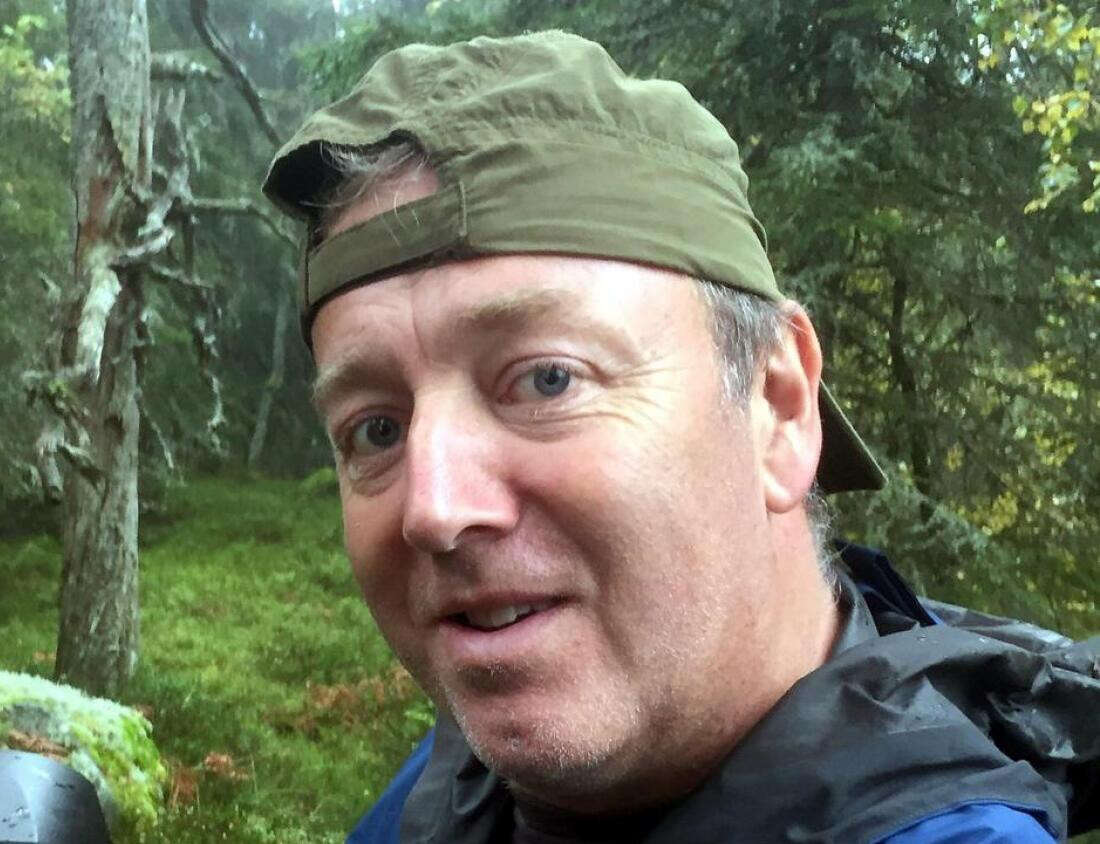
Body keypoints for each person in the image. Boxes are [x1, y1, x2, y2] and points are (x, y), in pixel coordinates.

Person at [261, 31, 1100, 844]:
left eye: (549, 380)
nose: (435, 509)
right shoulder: (463, 777)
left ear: (778, 406)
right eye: (377, 428)